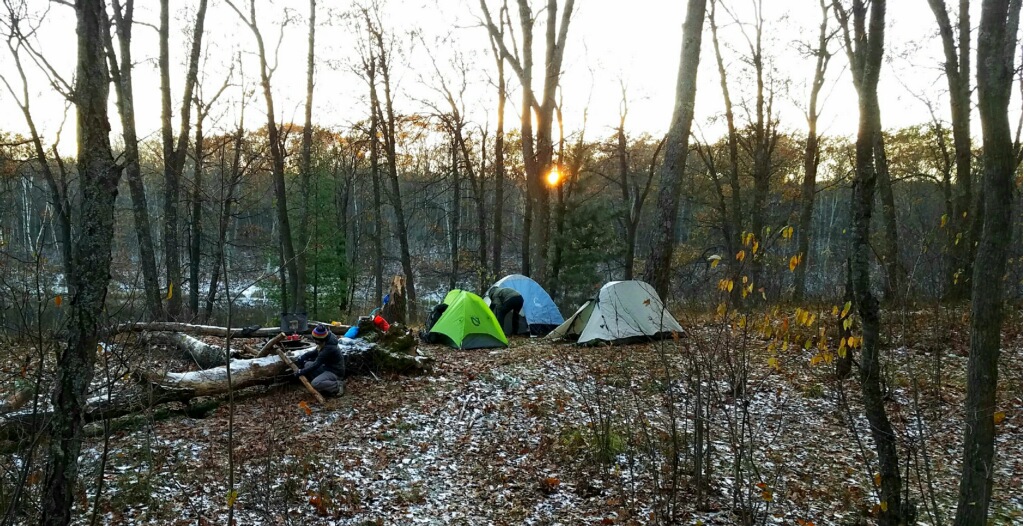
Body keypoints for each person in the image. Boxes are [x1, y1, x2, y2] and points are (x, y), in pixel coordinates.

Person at [294, 323, 345, 396]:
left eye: (315, 340)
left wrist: (301, 371)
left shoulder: (329, 348)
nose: (314, 341)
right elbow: (316, 351)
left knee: (315, 383)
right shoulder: (326, 340)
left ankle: (337, 385)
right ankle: (323, 384)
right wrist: (304, 356)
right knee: (307, 364)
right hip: (327, 367)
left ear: (320, 340)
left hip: (335, 372)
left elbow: (316, 364)